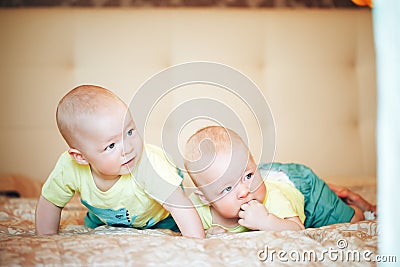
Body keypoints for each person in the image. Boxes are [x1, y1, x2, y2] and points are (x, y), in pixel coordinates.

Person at [35, 85, 205, 238]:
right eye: (111, 146)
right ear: (81, 157)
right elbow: (51, 200)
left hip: (161, 218)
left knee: (198, 217)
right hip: (102, 219)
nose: (128, 148)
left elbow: (179, 205)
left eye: (130, 132)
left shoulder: (149, 165)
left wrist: (196, 243)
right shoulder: (69, 168)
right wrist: (46, 236)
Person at [183, 126, 376, 233]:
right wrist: (211, 233)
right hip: (272, 174)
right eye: (227, 189)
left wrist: (267, 221)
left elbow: (297, 228)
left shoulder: (271, 199)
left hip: (302, 187)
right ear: (204, 198)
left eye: (248, 176)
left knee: (355, 218)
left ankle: (348, 196)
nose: (244, 191)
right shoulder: (197, 210)